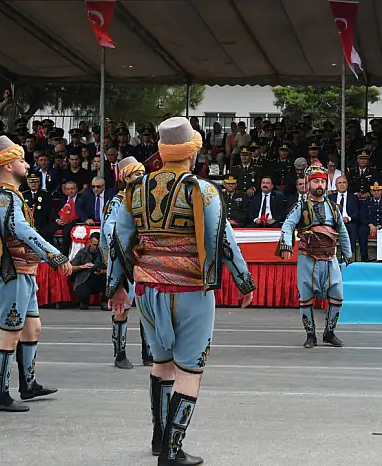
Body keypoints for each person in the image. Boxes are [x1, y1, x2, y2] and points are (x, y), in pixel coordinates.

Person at [106, 117, 256, 464]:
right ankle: (173, 451)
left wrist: (116, 287)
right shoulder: (202, 190)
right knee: (190, 370)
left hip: (146, 290)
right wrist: (243, 281)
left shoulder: (135, 189)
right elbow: (223, 240)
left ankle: (160, 439)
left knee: (161, 365)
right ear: (192, 151)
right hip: (190, 290)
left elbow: (120, 241)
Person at [0, 136, 72, 412]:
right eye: (20, 160)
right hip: (11, 272)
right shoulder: (4, 197)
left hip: (22, 272)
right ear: (6, 166)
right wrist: (53, 254)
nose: (26, 164)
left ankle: (28, 384)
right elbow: (21, 230)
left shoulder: (8, 196)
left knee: (32, 328)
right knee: (9, 334)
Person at [279, 164, 353, 348]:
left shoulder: (334, 207)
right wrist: (286, 244)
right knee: (306, 297)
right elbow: (288, 225)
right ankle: (310, 335)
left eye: (322, 181)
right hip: (308, 258)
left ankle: (329, 332)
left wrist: (348, 252)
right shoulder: (301, 205)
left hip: (330, 258)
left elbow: (342, 231)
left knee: (337, 295)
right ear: (308, 184)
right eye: (316, 181)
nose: (319, 184)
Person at [100, 157, 152, 370]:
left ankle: (149, 352)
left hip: (145, 260)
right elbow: (110, 231)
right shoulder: (117, 202)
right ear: (126, 178)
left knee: (147, 307)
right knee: (122, 306)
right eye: (135, 174)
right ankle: (119, 353)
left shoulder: (146, 200)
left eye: (142, 173)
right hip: (123, 260)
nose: (140, 178)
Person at [71, 232, 107, 310]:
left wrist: (102, 272)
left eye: (99, 245)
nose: (97, 247)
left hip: (100, 278)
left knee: (110, 280)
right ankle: (83, 301)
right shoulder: (82, 252)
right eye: (95, 245)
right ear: (89, 242)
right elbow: (71, 268)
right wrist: (82, 266)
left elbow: (112, 270)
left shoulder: (105, 253)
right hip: (85, 278)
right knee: (81, 292)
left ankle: (105, 301)